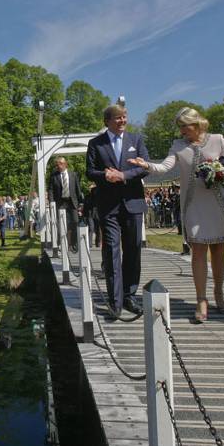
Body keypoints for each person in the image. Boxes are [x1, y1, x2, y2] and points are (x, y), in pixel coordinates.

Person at [129, 107, 224, 322]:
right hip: (193, 204)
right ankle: (201, 299)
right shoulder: (178, 146)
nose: (182, 131)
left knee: (219, 249)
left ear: (197, 124)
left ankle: (219, 293)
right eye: (180, 127)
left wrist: (218, 172)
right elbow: (165, 167)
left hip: (217, 201)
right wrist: (146, 164)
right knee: (198, 250)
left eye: (185, 126)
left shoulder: (218, 140)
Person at [86, 104, 149, 315]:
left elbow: (144, 167)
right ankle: (115, 300)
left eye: (124, 117)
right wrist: (104, 175)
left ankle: (130, 296)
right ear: (107, 121)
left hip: (133, 203)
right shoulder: (96, 143)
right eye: (117, 118)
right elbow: (89, 171)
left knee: (133, 250)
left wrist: (123, 176)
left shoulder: (136, 140)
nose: (122, 121)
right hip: (109, 205)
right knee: (111, 249)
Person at [49, 157, 83, 252]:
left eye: (60, 164)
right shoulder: (54, 175)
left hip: (72, 202)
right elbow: (50, 189)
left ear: (65, 164)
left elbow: (77, 189)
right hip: (61, 202)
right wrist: (51, 201)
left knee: (75, 222)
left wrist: (81, 202)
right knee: (61, 224)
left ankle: (73, 243)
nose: (58, 166)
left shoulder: (73, 174)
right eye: (57, 164)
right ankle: (63, 244)